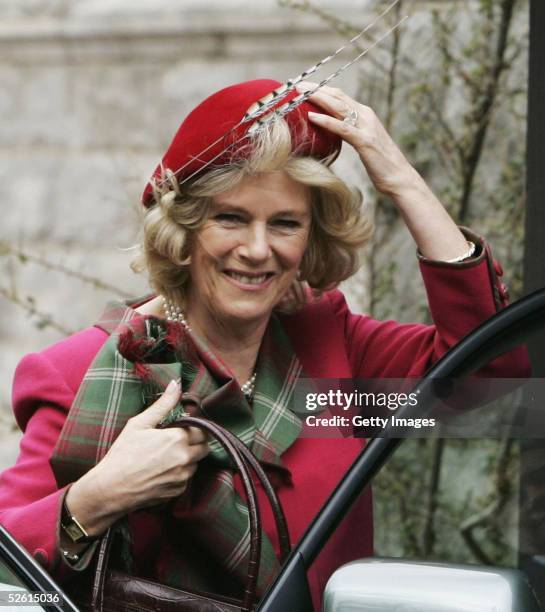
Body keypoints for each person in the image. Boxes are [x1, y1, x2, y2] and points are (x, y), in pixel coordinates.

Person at [0, 78, 527, 610]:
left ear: (311, 239)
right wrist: (93, 501)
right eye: (230, 218)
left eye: (285, 224)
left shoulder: (332, 354)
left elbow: (494, 376)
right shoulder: (81, 371)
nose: (257, 250)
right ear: (183, 229)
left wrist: (401, 179)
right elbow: (6, 579)